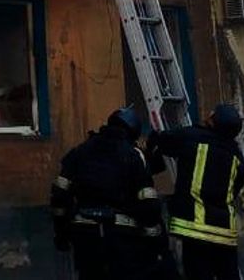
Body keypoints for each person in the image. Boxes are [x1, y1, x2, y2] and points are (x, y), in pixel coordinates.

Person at [51, 107, 169, 279]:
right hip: (121, 238)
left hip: (85, 235)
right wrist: (155, 239)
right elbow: (148, 201)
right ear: (133, 132)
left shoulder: (80, 151)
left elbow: (60, 193)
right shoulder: (133, 155)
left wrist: (61, 233)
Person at [146, 103, 244, 280]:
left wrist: (153, 140)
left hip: (196, 231)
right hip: (224, 233)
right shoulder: (236, 154)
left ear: (213, 121)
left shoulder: (192, 137)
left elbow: (163, 141)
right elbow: (237, 186)